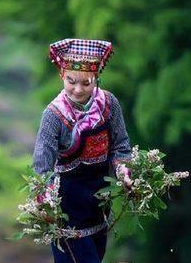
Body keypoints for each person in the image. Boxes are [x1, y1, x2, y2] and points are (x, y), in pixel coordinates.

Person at [33, 38, 132, 263]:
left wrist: (125, 171)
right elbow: (42, 166)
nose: (78, 90)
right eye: (71, 81)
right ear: (61, 76)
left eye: (86, 83)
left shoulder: (109, 104)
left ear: (96, 78)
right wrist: (45, 197)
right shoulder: (53, 116)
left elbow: (121, 146)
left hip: (98, 203)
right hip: (67, 207)